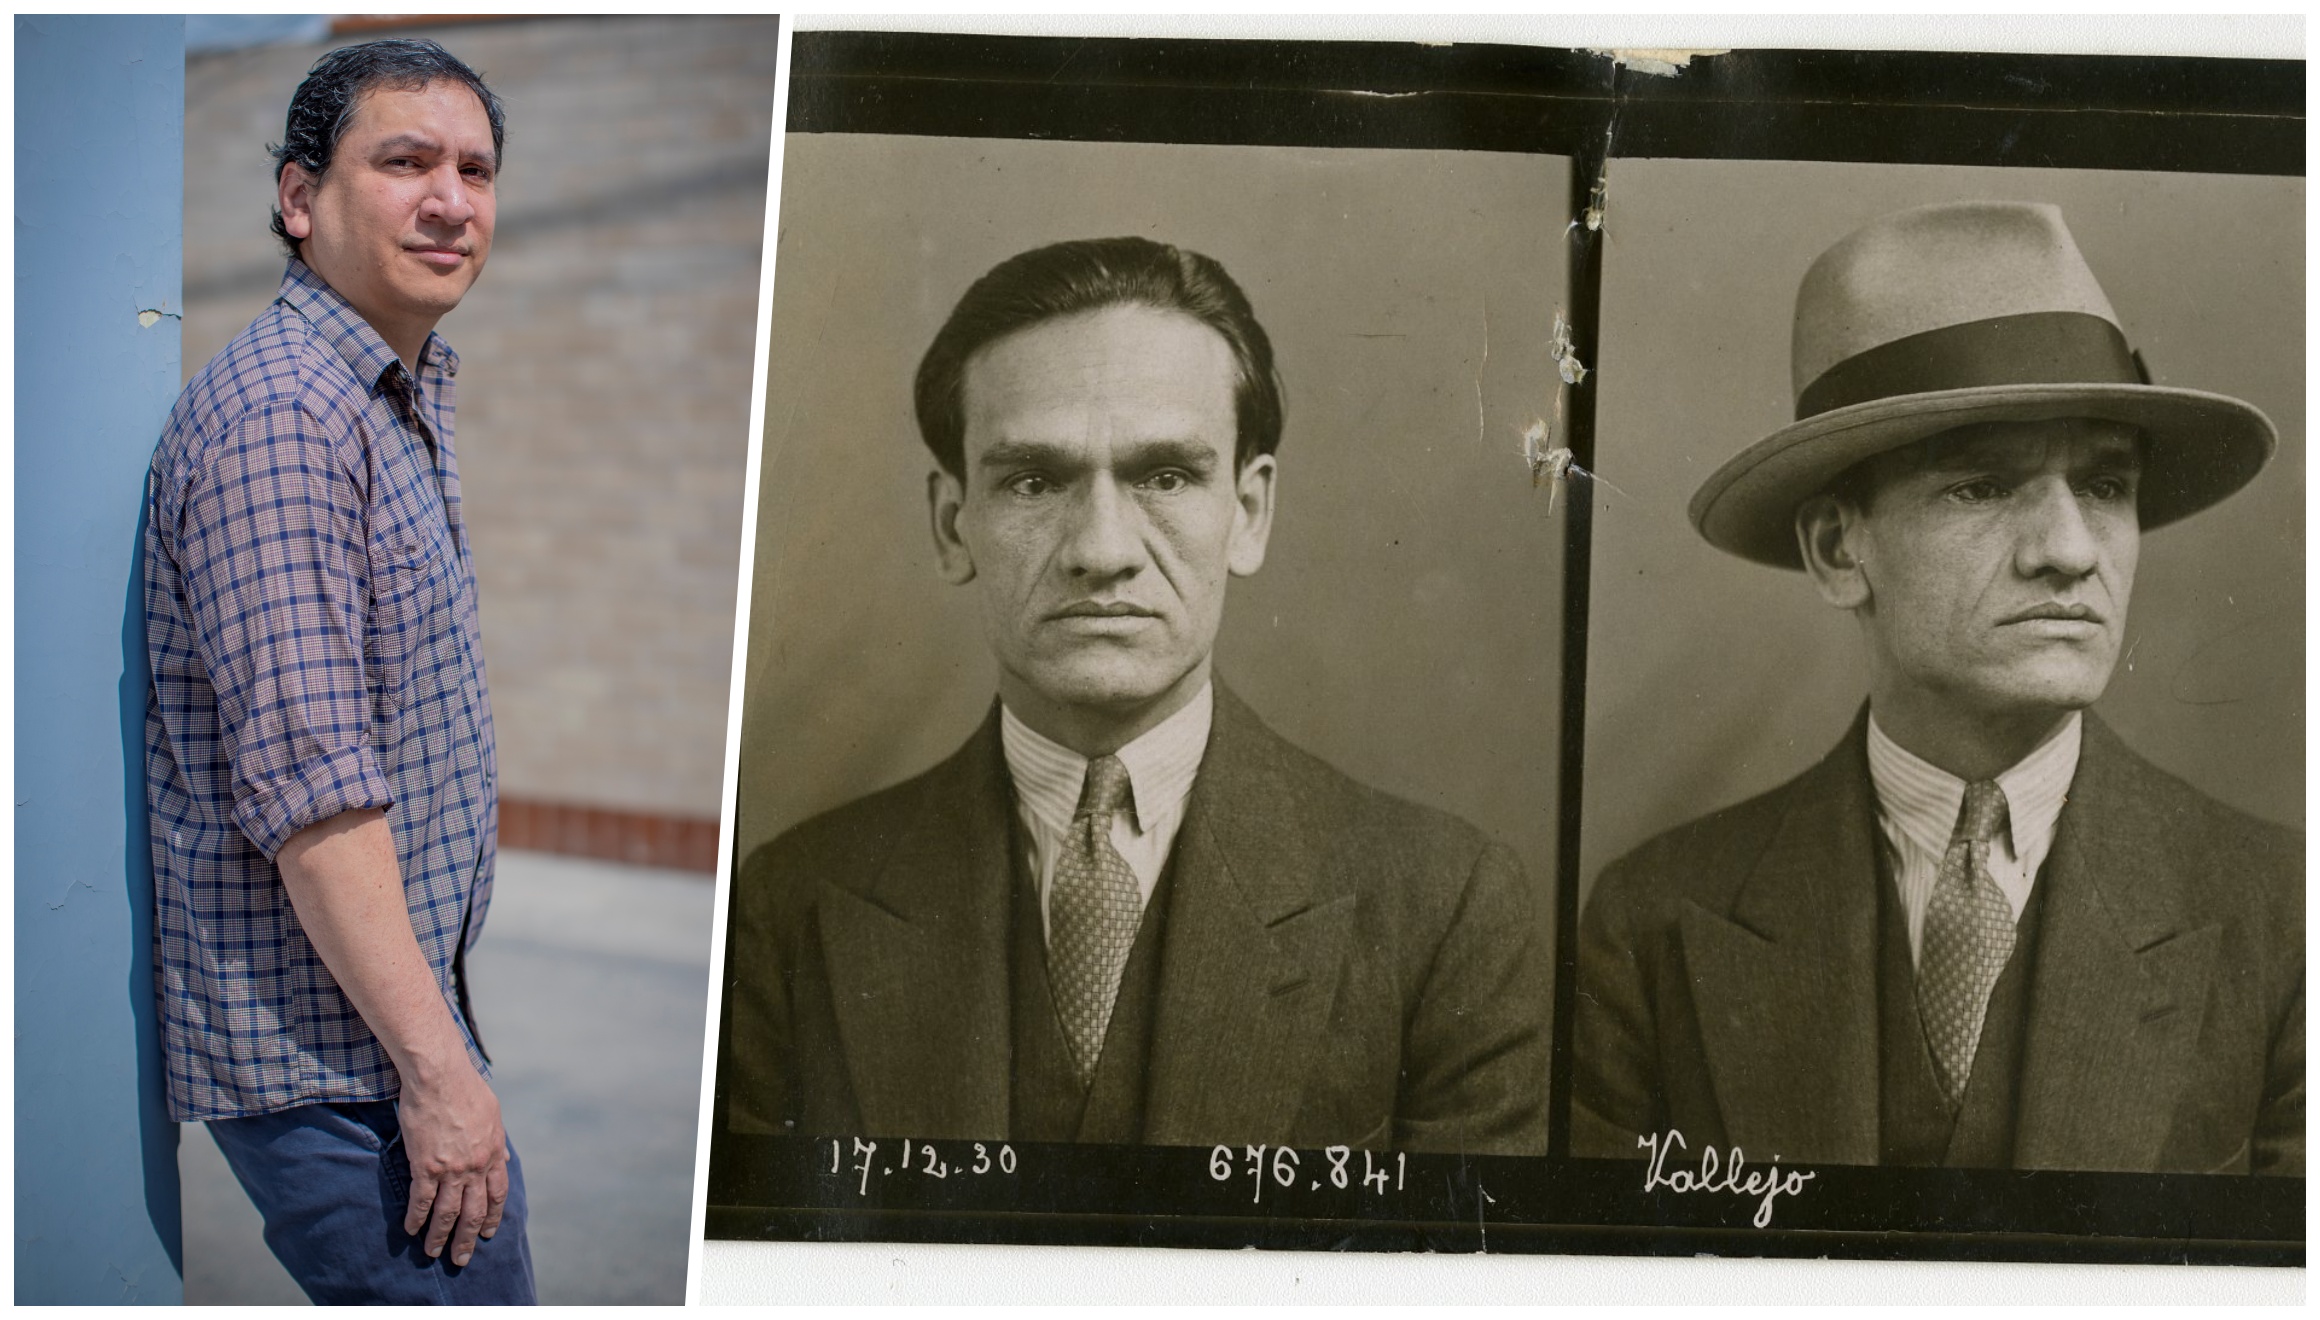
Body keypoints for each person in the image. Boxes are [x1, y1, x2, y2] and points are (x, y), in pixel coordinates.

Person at [720, 236, 1547, 1152]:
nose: (1101, 549)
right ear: (954, 525)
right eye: (1035, 480)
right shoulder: (787, 906)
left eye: (1165, 476)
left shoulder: (1446, 907)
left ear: (1249, 512)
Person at [1575, 201, 2302, 1175]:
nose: (2069, 552)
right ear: (1840, 549)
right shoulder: (1652, 921)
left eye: (2104, 487)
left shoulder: (2286, 915)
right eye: (1983, 487)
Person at [144, 40, 535, 1301]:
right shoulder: (288, 422)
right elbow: (316, 795)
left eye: (474, 168)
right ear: (299, 198)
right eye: (405, 162)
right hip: (338, 1061)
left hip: (379, 1034)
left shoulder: (378, 392)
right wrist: (438, 1075)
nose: (450, 200)